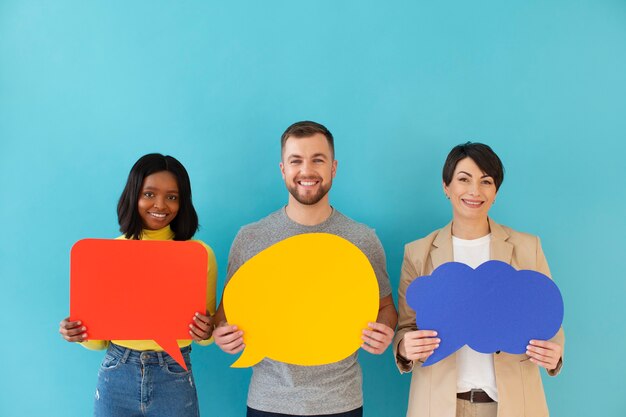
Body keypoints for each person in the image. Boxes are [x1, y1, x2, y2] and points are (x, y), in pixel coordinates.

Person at [213, 121, 398, 417]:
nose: (307, 171)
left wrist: (385, 330)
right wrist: (223, 334)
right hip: (268, 402)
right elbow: (225, 315)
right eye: (296, 161)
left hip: (342, 402)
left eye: (318, 160)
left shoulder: (362, 239)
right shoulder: (251, 238)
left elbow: (386, 307)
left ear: (333, 168)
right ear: (283, 169)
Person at [393, 142, 565, 417]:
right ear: (446, 186)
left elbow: (549, 321)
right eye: (464, 179)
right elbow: (405, 327)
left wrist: (555, 355)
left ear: (495, 192)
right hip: (439, 405)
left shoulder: (527, 248)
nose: (475, 191)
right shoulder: (418, 253)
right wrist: (404, 346)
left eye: (486, 181)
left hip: (513, 404)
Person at [58, 153, 217, 417]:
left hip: (174, 373)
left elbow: (206, 335)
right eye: (149, 194)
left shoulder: (199, 254)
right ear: (134, 196)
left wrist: (206, 330)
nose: (160, 205)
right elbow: (98, 343)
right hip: (117, 371)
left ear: (183, 202)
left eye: (172, 196)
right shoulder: (107, 254)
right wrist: (79, 331)